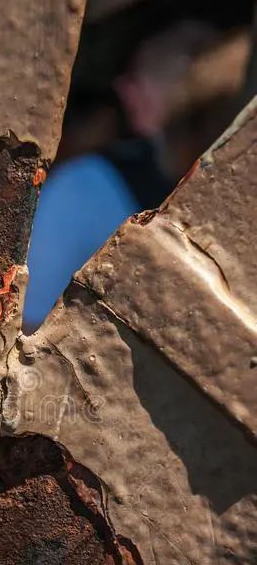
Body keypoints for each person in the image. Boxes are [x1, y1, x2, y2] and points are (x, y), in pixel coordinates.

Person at [23, 20, 238, 333]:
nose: (122, 87)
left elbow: (26, 316)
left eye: (140, 75)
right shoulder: (87, 185)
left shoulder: (84, 185)